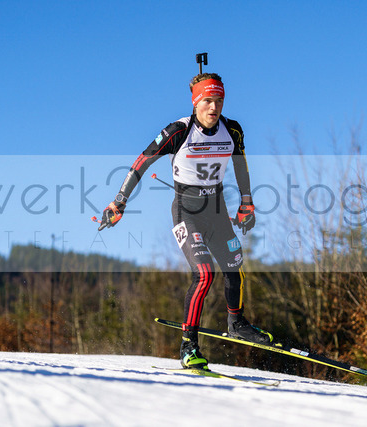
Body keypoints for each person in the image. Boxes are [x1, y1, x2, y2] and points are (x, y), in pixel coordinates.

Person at [97, 72, 273, 370]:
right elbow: (142, 161)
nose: (214, 107)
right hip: (186, 212)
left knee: (235, 265)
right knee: (204, 274)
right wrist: (119, 201)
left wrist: (246, 202)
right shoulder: (179, 131)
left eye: (219, 101)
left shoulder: (232, 130)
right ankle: (188, 346)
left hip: (216, 211)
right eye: (208, 101)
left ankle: (237, 323)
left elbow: (241, 164)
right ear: (195, 102)